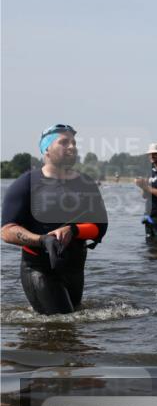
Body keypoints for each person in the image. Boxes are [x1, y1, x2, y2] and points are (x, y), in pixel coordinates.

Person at [1, 124, 108, 314]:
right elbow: (7, 230)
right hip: (40, 270)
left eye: (74, 142)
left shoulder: (86, 183)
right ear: (46, 149)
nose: (72, 147)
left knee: (72, 325)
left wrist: (73, 230)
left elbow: (100, 227)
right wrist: (42, 240)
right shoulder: (26, 184)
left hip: (75, 269)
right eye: (64, 142)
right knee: (63, 325)